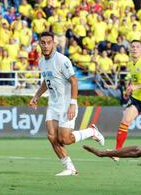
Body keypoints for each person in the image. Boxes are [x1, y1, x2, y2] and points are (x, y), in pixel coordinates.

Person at [29, 32, 105, 176]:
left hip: (66, 103)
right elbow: (47, 80)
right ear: (39, 44)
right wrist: (36, 96)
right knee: (52, 137)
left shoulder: (61, 60)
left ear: (54, 44)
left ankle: (91, 131)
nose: (45, 45)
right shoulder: (41, 62)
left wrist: (72, 104)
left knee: (65, 139)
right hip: (53, 104)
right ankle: (69, 167)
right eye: (43, 42)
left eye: (48, 42)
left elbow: (74, 81)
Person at [111, 40, 141, 157]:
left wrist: (135, 87)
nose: (135, 48)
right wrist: (129, 89)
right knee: (125, 121)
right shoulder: (131, 63)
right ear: (129, 49)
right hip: (136, 98)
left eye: (138, 47)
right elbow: (134, 80)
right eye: (132, 47)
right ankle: (117, 152)